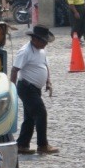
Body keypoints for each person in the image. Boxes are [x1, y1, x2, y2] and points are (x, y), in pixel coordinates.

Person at [10, 24, 59, 155]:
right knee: (41, 113)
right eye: (44, 41)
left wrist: (48, 81)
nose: (46, 44)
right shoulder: (25, 52)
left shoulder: (41, 50)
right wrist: (12, 90)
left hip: (35, 88)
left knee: (30, 118)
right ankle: (42, 145)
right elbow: (15, 70)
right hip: (26, 88)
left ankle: (22, 144)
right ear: (35, 39)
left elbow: (45, 65)